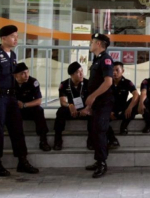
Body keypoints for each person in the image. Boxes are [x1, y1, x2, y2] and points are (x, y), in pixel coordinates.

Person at [0, 25, 38, 176]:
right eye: (13, 36)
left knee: (17, 129)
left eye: (17, 36)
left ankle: (22, 161)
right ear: (3, 38)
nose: (16, 39)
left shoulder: (12, 56)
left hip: (11, 98)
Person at [81, 33, 114, 178]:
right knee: (94, 131)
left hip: (103, 103)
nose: (91, 44)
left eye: (92, 42)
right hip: (96, 104)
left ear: (99, 44)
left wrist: (93, 96)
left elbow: (108, 82)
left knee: (100, 131)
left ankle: (102, 163)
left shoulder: (106, 60)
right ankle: (98, 160)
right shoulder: (97, 60)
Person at [53, 62, 93, 151]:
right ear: (72, 74)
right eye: (79, 72)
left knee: (94, 113)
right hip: (72, 110)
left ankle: (91, 141)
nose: (82, 74)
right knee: (60, 111)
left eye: (82, 71)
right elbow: (63, 101)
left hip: (85, 110)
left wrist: (87, 109)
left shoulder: (88, 83)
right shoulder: (64, 84)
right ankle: (58, 141)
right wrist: (69, 105)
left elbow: (93, 99)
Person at [14, 63, 51, 151]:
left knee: (39, 110)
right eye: (23, 73)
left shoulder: (33, 82)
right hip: (14, 109)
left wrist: (24, 105)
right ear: (16, 75)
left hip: (28, 108)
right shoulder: (10, 82)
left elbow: (39, 101)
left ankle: (43, 140)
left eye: (27, 72)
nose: (26, 75)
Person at [107, 61, 140, 149]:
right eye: (112, 70)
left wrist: (129, 107)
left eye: (117, 70)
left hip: (123, 109)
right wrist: (109, 111)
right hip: (109, 109)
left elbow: (136, 94)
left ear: (123, 71)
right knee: (101, 121)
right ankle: (113, 140)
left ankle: (124, 126)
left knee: (136, 101)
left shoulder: (127, 82)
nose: (114, 72)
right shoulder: (107, 82)